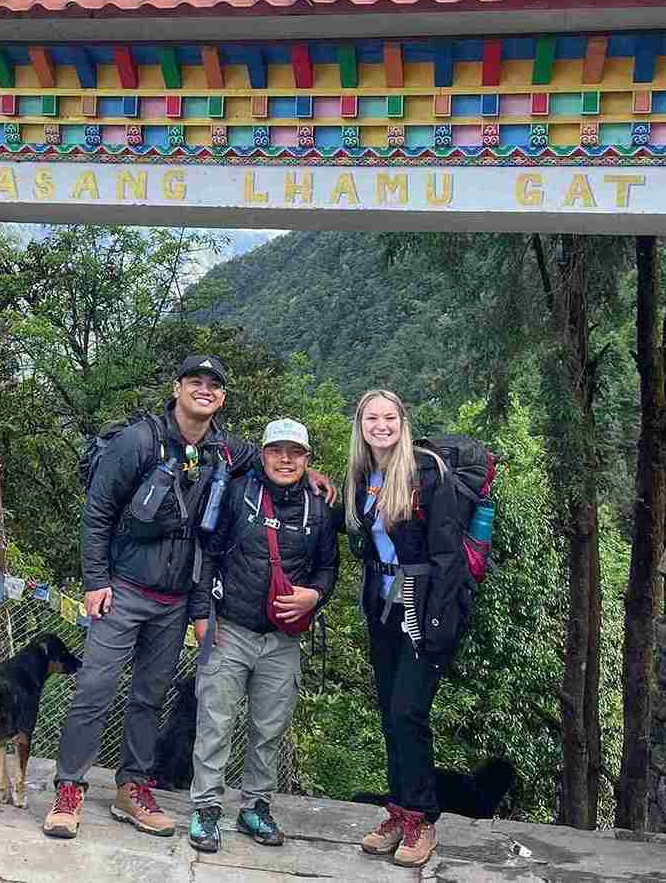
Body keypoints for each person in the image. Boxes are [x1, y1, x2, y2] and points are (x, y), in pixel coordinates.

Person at [42, 356, 338, 840]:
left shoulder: (224, 448)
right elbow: (98, 512)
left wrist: (313, 475)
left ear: (222, 397)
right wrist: (96, 580)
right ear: (177, 388)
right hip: (124, 588)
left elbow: (276, 462)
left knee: (149, 696)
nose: (204, 390)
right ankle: (69, 788)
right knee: (95, 688)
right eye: (195, 381)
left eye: (213, 385)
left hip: (176, 598)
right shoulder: (139, 441)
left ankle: (132, 788)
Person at [186, 417, 339, 854]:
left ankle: (255, 805)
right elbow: (208, 553)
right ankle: (206, 808)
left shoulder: (319, 508)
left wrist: (315, 596)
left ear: (307, 459)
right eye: (277, 451)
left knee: (270, 728)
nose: (285, 460)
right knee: (214, 722)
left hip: (282, 639)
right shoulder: (238, 493)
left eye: (295, 453)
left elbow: (328, 567)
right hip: (227, 627)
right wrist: (201, 613)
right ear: (263, 454)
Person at [344, 390, 475, 869]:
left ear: (403, 422)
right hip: (384, 610)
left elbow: (447, 555)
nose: (381, 426)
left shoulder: (426, 473)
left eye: (389, 418)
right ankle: (399, 812)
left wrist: (438, 624)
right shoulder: (362, 477)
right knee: (389, 713)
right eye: (371, 419)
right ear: (360, 426)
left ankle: (422, 818)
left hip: (425, 609)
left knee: (408, 713)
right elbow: (358, 531)